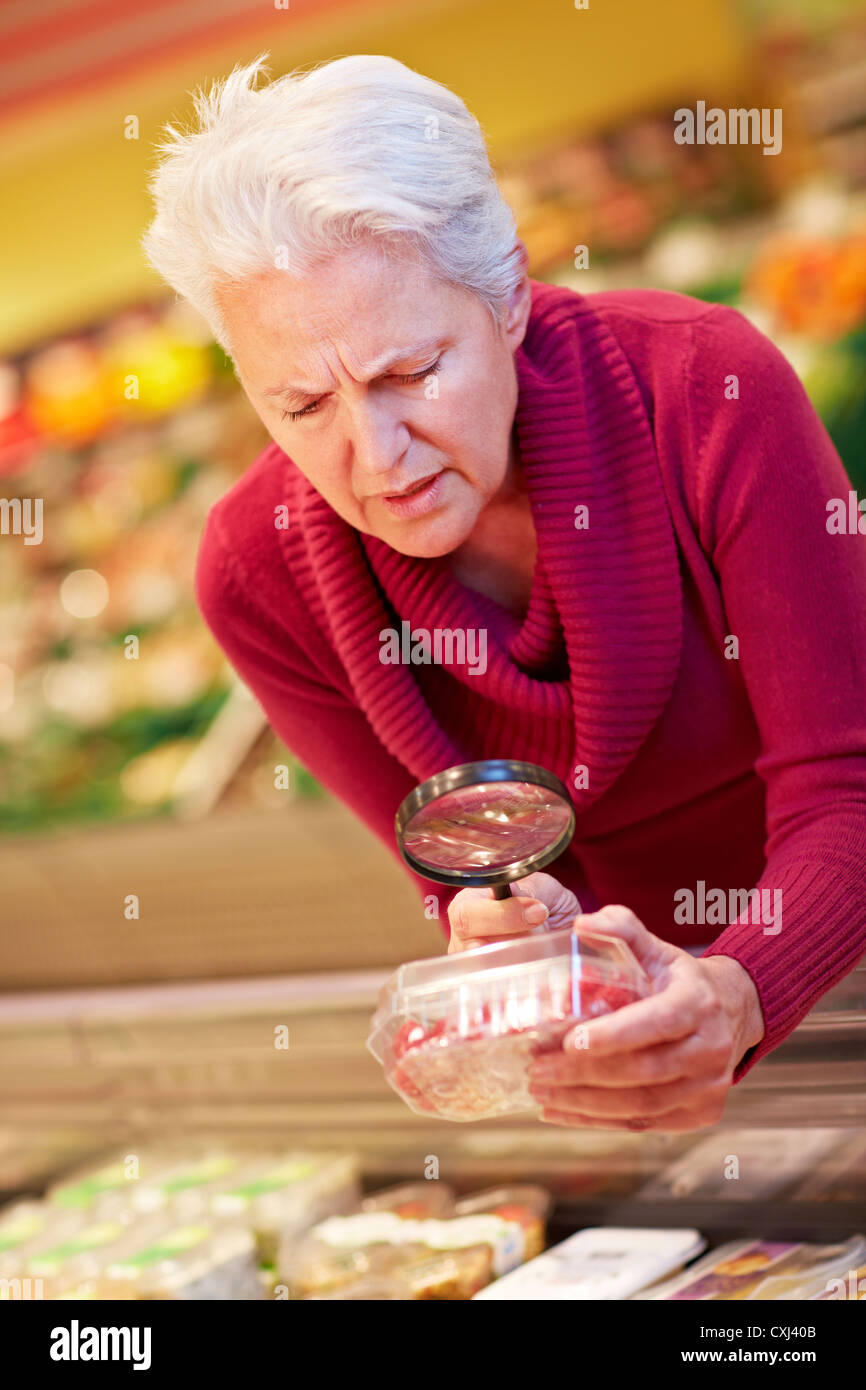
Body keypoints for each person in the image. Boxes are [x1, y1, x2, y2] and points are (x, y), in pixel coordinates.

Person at [143, 54, 866, 1133]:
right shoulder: (255, 575)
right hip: (660, 1070)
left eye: (409, 372)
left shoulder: (703, 388)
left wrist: (737, 986)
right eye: (301, 404)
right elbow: (464, 873)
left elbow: (846, 784)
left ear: (510, 298)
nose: (375, 455)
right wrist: (506, 941)